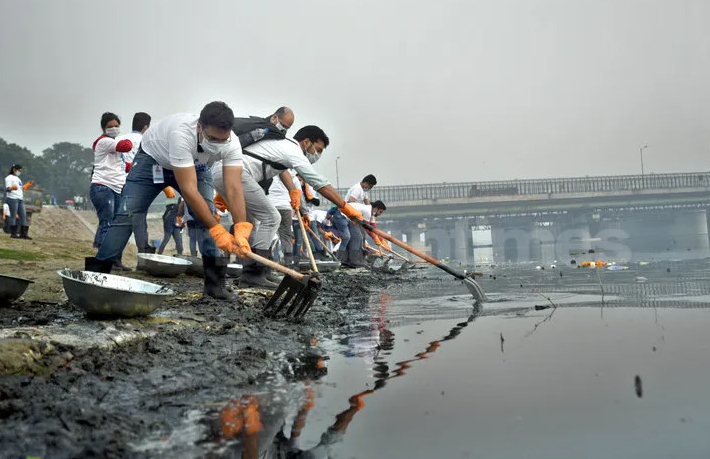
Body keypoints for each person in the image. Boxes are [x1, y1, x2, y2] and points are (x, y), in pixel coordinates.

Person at [89, 101, 252, 300]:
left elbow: (234, 187)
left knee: (209, 217)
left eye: (222, 140)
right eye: (212, 139)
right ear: (199, 127)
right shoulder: (181, 134)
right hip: (153, 161)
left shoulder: (232, 143)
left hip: (196, 166)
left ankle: (215, 286)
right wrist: (217, 231)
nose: (217, 145)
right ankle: (96, 277)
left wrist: (242, 228)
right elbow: (189, 190)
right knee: (128, 215)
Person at [212, 124, 363, 288]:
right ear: (306, 142)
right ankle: (253, 274)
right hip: (235, 173)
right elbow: (317, 182)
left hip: (226, 172)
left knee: (252, 223)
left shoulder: (281, 147)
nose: (317, 155)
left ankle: (258, 273)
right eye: (318, 149)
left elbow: (282, 170)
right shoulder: (293, 149)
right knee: (271, 218)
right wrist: (344, 206)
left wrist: (293, 191)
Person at [89, 112, 134, 270]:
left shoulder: (113, 146)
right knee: (107, 223)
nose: (114, 128)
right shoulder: (104, 142)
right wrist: (137, 139)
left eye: (116, 126)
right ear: (104, 128)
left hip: (116, 188)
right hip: (103, 186)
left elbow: (124, 166)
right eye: (110, 126)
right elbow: (126, 146)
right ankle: (103, 261)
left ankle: (115, 261)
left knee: (117, 226)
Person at [117, 111, 153, 252]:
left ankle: (115, 259)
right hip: (136, 186)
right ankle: (143, 255)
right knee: (139, 220)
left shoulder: (120, 139)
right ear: (145, 127)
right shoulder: (146, 141)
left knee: (119, 220)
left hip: (117, 183)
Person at [331, 175, 377, 262]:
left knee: (360, 237)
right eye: (370, 186)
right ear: (366, 183)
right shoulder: (357, 189)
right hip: (349, 215)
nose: (369, 188)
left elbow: (367, 202)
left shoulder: (363, 190)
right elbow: (351, 202)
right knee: (357, 237)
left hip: (355, 216)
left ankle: (358, 257)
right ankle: (353, 259)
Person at [4, 164, 35, 239]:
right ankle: (13, 234)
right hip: (12, 198)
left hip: (20, 199)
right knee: (13, 216)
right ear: (14, 169)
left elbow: (19, 188)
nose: (20, 172)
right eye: (19, 170)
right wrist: (11, 188)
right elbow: (7, 189)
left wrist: (25, 186)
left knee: (23, 216)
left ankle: (23, 234)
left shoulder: (18, 179)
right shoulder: (9, 178)